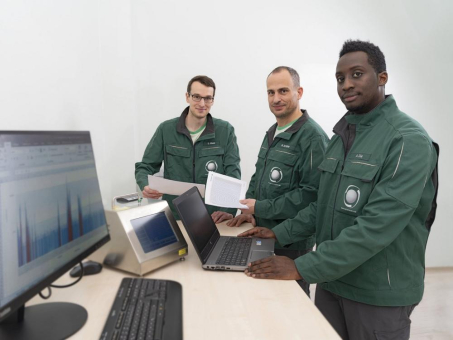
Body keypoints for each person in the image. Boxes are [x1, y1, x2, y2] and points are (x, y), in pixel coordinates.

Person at [239, 40, 439, 339]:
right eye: (340, 78)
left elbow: (376, 227)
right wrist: (278, 233)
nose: (346, 84)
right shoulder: (342, 136)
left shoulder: (406, 140)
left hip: (377, 292)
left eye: (357, 74)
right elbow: (322, 204)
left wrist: (303, 267)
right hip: (332, 282)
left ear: (381, 78)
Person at [216, 66, 328, 296]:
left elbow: (310, 195)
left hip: (292, 244)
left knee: (292, 305)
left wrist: (261, 206)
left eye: (283, 91)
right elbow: (260, 178)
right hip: (263, 232)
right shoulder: (272, 131)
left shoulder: (313, 137)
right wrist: (250, 213)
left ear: (300, 92)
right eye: (270, 92)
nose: (276, 99)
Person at [135, 75, 241, 219]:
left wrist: (228, 211)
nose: (202, 103)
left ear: (213, 100)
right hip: (176, 216)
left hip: (213, 218)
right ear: (187, 97)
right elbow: (145, 166)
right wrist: (145, 185)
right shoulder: (166, 130)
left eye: (208, 98)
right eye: (196, 97)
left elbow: (232, 175)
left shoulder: (225, 131)